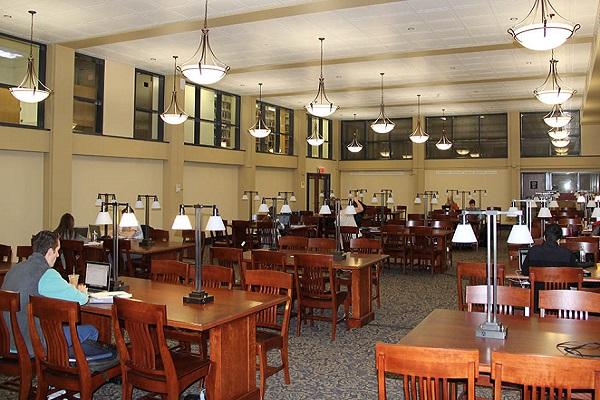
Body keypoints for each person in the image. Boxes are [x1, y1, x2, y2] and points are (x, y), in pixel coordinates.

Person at [1, 230, 97, 355]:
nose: (58, 255)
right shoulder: (46, 274)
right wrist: (82, 291)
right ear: (50, 252)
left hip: (7, 342)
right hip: (32, 344)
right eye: (57, 251)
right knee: (91, 330)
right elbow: (81, 299)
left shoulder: (14, 270)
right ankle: (66, 364)